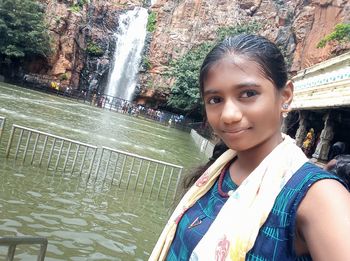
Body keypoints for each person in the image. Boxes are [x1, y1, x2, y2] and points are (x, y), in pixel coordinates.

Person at [150, 34, 350, 261]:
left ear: (285, 96)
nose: (229, 115)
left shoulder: (318, 197)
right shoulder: (216, 172)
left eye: (248, 94)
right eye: (215, 99)